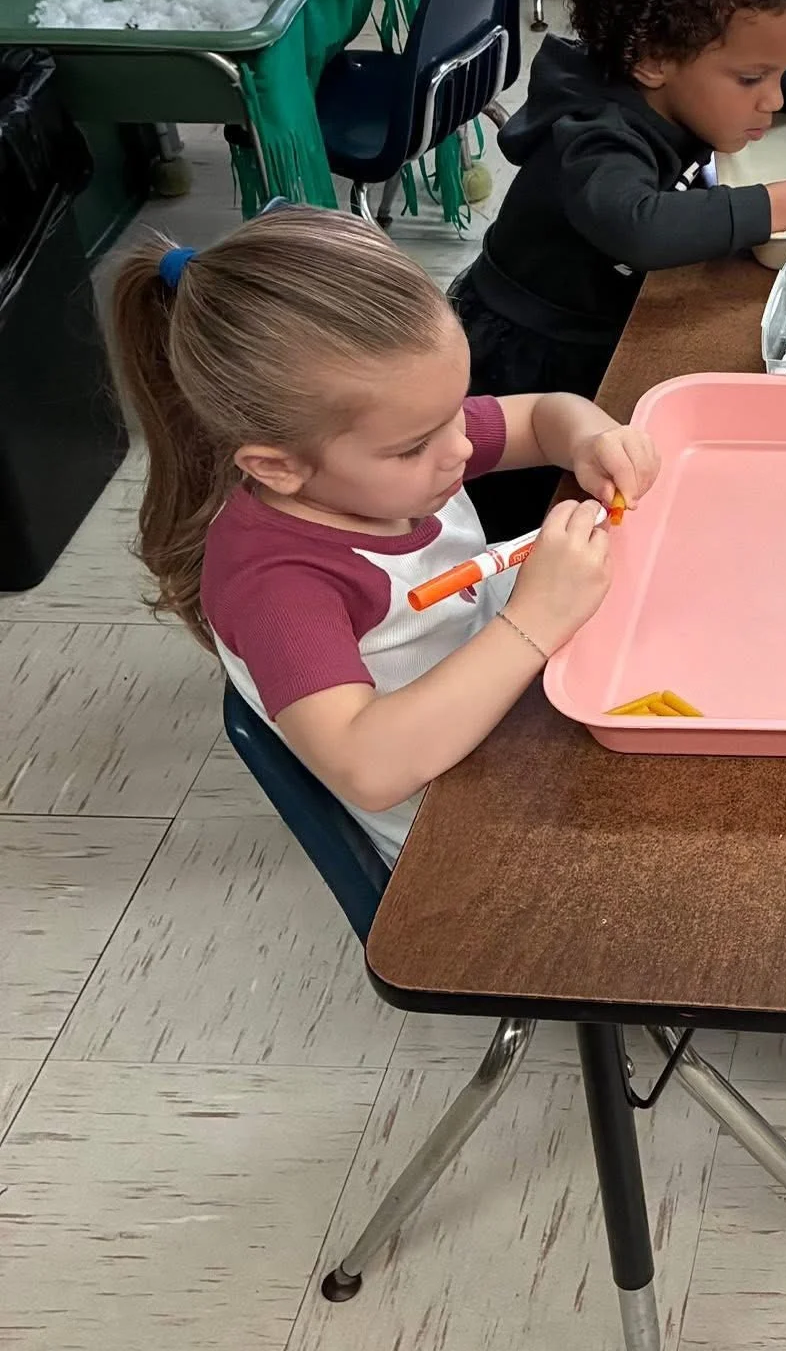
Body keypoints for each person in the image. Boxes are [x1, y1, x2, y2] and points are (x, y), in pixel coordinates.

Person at [107, 207, 658, 864]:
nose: (459, 448)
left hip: (500, 683)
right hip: (456, 824)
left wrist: (593, 439)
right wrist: (535, 621)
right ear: (276, 468)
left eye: (456, 410)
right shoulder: (276, 585)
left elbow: (541, 417)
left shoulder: (391, 452)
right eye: (415, 446)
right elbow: (366, 766)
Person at [453, 0, 786, 540]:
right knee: (545, 521)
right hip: (536, 354)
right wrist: (779, 203)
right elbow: (639, 226)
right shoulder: (596, 133)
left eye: (773, 74)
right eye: (752, 79)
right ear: (652, 62)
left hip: (615, 315)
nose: (774, 98)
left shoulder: (682, 70)